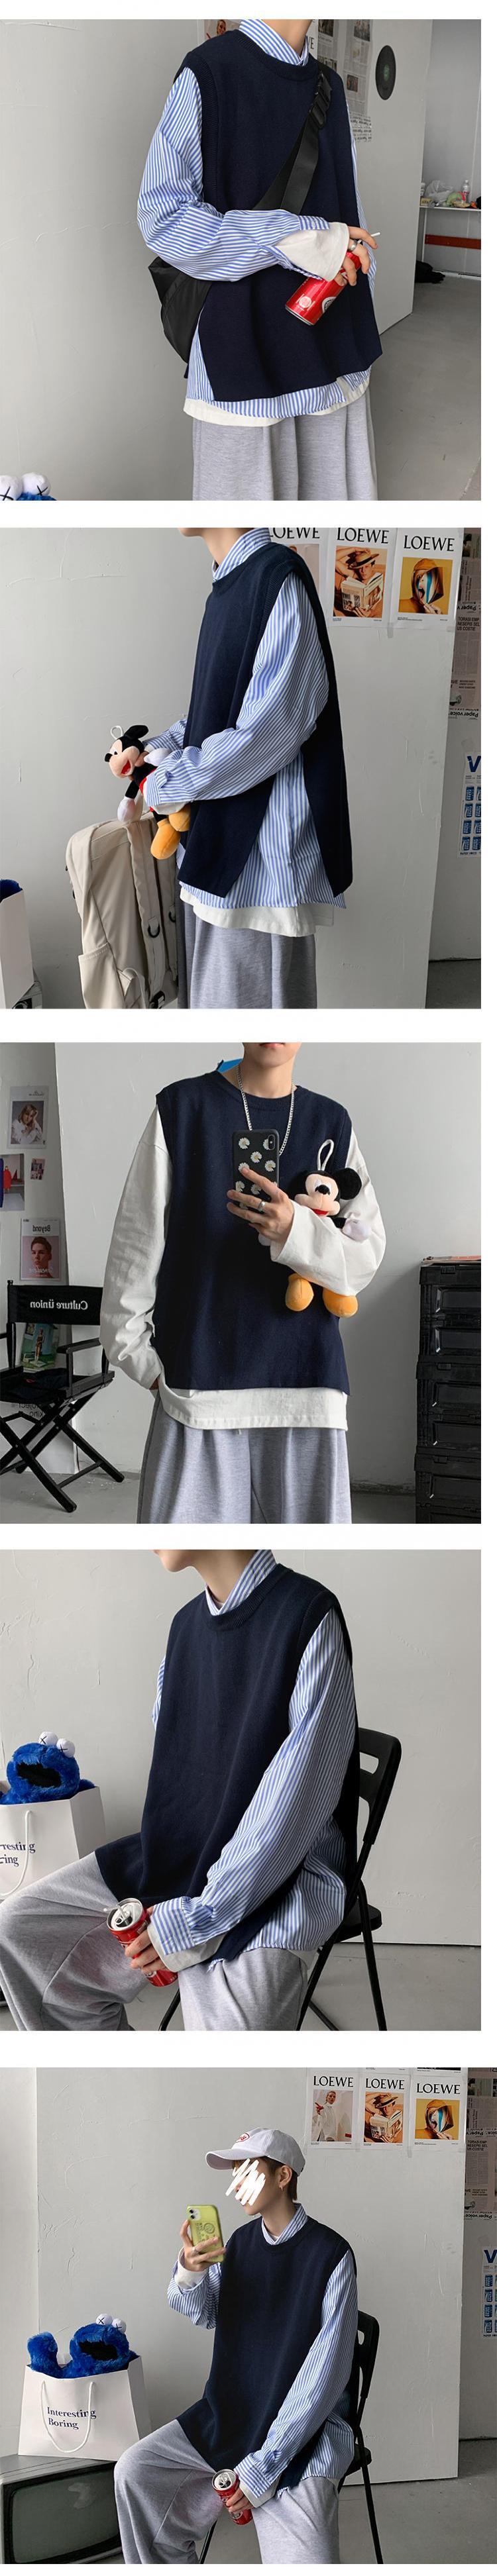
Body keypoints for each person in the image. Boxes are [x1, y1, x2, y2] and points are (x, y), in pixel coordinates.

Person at [0, 1548, 359, 2033]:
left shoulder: (309, 1614)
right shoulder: (185, 1626)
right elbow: (182, 1767)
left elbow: (294, 1803)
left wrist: (198, 1919)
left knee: (235, 2039)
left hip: (282, 1875)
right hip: (182, 1851)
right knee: (20, 1931)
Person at [101, 1040, 386, 1524]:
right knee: (190, 1555)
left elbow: (364, 1258)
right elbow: (136, 1240)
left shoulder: (331, 1122)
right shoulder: (182, 1108)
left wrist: (295, 1230)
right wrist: (145, 1364)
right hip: (199, 1394)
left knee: (300, 1558)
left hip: (307, 1392)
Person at [138, 19, 381, 502]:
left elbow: (346, 210)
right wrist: (298, 238)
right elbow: (163, 218)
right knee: (250, 532)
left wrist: (347, 254)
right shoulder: (210, 71)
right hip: (242, 356)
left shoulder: (331, 87)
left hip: (330, 345)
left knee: (329, 526)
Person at [115, 2127, 359, 2564]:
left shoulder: (332, 2255)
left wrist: (264, 2466)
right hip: (229, 2415)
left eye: (248, 2170)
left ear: (283, 2176)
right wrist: (190, 2270)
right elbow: (206, 2311)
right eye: (234, 2172)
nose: (237, 2182)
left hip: (303, 2434)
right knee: (135, 2472)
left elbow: (323, 2381)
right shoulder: (240, 2244)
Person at [137, 524, 352, 1010]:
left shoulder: (276, 579)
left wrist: (167, 781)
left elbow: (269, 731)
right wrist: (152, 752)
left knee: (257, 1027)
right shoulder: (227, 585)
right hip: (217, 847)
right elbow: (216, 715)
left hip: (259, 866)